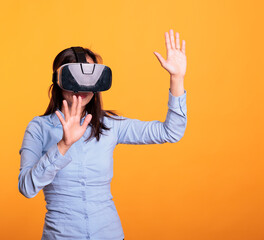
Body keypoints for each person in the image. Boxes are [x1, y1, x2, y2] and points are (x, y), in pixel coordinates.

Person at [18, 29, 187, 240]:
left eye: (90, 76)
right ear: (59, 81)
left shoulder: (110, 125)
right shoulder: (38, 128)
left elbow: (170, 132)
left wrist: (177, 78)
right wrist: (63, 145)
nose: (82, 86)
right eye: (75, 78)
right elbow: (26, 187)